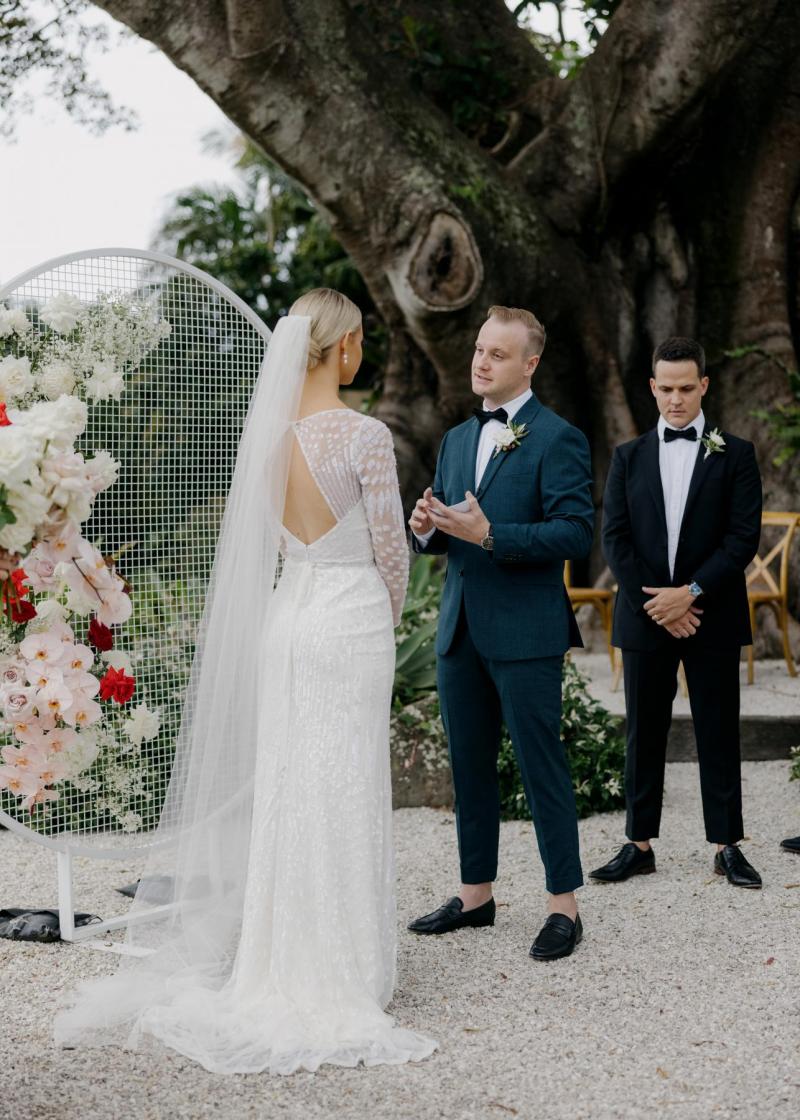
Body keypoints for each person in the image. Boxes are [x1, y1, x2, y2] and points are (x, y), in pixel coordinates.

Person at [54, 289, 437, 1073]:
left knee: (293, 789)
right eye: (361, 341)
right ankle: (344, 965)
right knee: (345, 785)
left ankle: (278, 955)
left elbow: (264, 549)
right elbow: (391, 555)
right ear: (345, 347)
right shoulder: (364, 435)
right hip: (348, 617)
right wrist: (387, 618)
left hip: (286, 619)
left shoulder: (268, 442)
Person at [407, 305, 594, 961]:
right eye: (480, 350)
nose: (481, 361)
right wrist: (427, 526)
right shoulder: (458, 438)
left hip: (526, 630)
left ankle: (563, 907)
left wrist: (492, 534)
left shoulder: (558, 437)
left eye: (497, 353)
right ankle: (476, 895)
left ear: (530, 364)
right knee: (469, 768)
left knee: (543, 768)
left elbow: (575, 533)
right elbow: (441, 536)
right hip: (460, 629)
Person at [594, 336, 763, 889]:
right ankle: (638, 844)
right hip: (647, 616)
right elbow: (615, 540)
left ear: (704, 386)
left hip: (710, 613)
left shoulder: (735, 454)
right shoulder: (627, 456)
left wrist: (688, 593)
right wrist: (660, 603)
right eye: (665, 389)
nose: (675, 400)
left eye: (686, 389)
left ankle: (727, 845)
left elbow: (741, 540)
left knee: (719, 728)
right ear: (651, 387)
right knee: (644, 730)